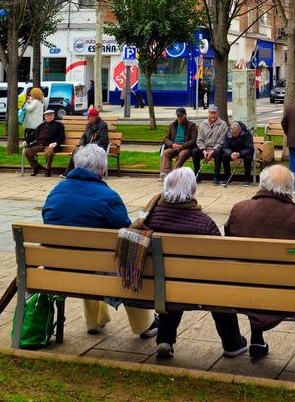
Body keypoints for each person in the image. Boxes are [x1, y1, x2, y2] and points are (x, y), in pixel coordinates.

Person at [42, 144, 157, 338]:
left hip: (56, 267)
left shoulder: (56, 191)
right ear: (102, 169)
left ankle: (94, 321)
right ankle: (144, 324)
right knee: (128, 261)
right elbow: (126, 231)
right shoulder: (108, 197)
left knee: (88, 257)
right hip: (93, 267)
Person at [225, 165, 295, 361]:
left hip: (246, 289)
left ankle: (257, 339)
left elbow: (230, 245)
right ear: (290, 189)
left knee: (253, 268)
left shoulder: (238, 211)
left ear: (262, 184)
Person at [137, 168, 248, 359]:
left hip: (159, 285)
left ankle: (165, 339)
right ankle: (232, 343)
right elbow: (221, 262)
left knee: (171, 283)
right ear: (192, 191)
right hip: (198, 286)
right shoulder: (204, 224)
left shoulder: (148, 218)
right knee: (217, 289)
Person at [66, 107, 110, 173]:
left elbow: (102, 141)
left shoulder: (103, 125)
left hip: (99, 147)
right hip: (88, 146)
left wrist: (90, 146)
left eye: (89, 116)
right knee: (75, 152)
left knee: (89, 154)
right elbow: (84, 136)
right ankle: (68, 173)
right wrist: (81, 145)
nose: (87, 118)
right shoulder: (89, 125)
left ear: (95, 117)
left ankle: (86, 173)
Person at [24, 107, 66, 176]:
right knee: (27, 152)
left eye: (51, 115)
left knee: (49, 153)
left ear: (54, 116)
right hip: (39, 145)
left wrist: (56, 143)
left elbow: (62, 136)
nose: (49, 117)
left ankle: (47, 169)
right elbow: (33, 135)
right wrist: (26, 141)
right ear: (44, 117)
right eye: (47, 115)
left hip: (50, 145)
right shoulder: (41, 126)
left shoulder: (59, 125)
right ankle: (36, 167)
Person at [160, 108, 198, 174]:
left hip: (186, 148)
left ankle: (174, 174)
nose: (179, 117)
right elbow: (166, 139)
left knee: (182, 154)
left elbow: (193, 140)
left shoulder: (191, 125)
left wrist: (182, 146)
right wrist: (172, 144)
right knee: (166, 153)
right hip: (174, 147)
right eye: (178, 116)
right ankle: (165, 173)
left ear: (185, 115)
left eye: (181, 116)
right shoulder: (173, 125)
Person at [215, 120, 254, 185]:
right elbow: (225, 147)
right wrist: (231, 153)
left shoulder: (247, 133)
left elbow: (250, 148)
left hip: (244, 151)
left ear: (240, 130)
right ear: (230, 131)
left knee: (248, 158)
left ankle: (247, 179)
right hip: (232, 152)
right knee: (224, 156)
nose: (234, 135)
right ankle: (227, 178)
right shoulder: (227, 133)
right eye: (233, 133)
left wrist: (239, 154)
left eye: (236, 133)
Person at [193, 107, 227, 179]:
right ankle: (197, 175)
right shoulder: (203, 124)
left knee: (218, 152)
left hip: (216, 149)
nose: (213, 115)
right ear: (208, 114)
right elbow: (199, 140)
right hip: (205, 149)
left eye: (215, 113)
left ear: (218, 113)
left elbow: (222, 140)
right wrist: (203, 150)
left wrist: (212, 151)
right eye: (211, 113)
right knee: (195, 151)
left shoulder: (223, 124)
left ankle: (216, 177)